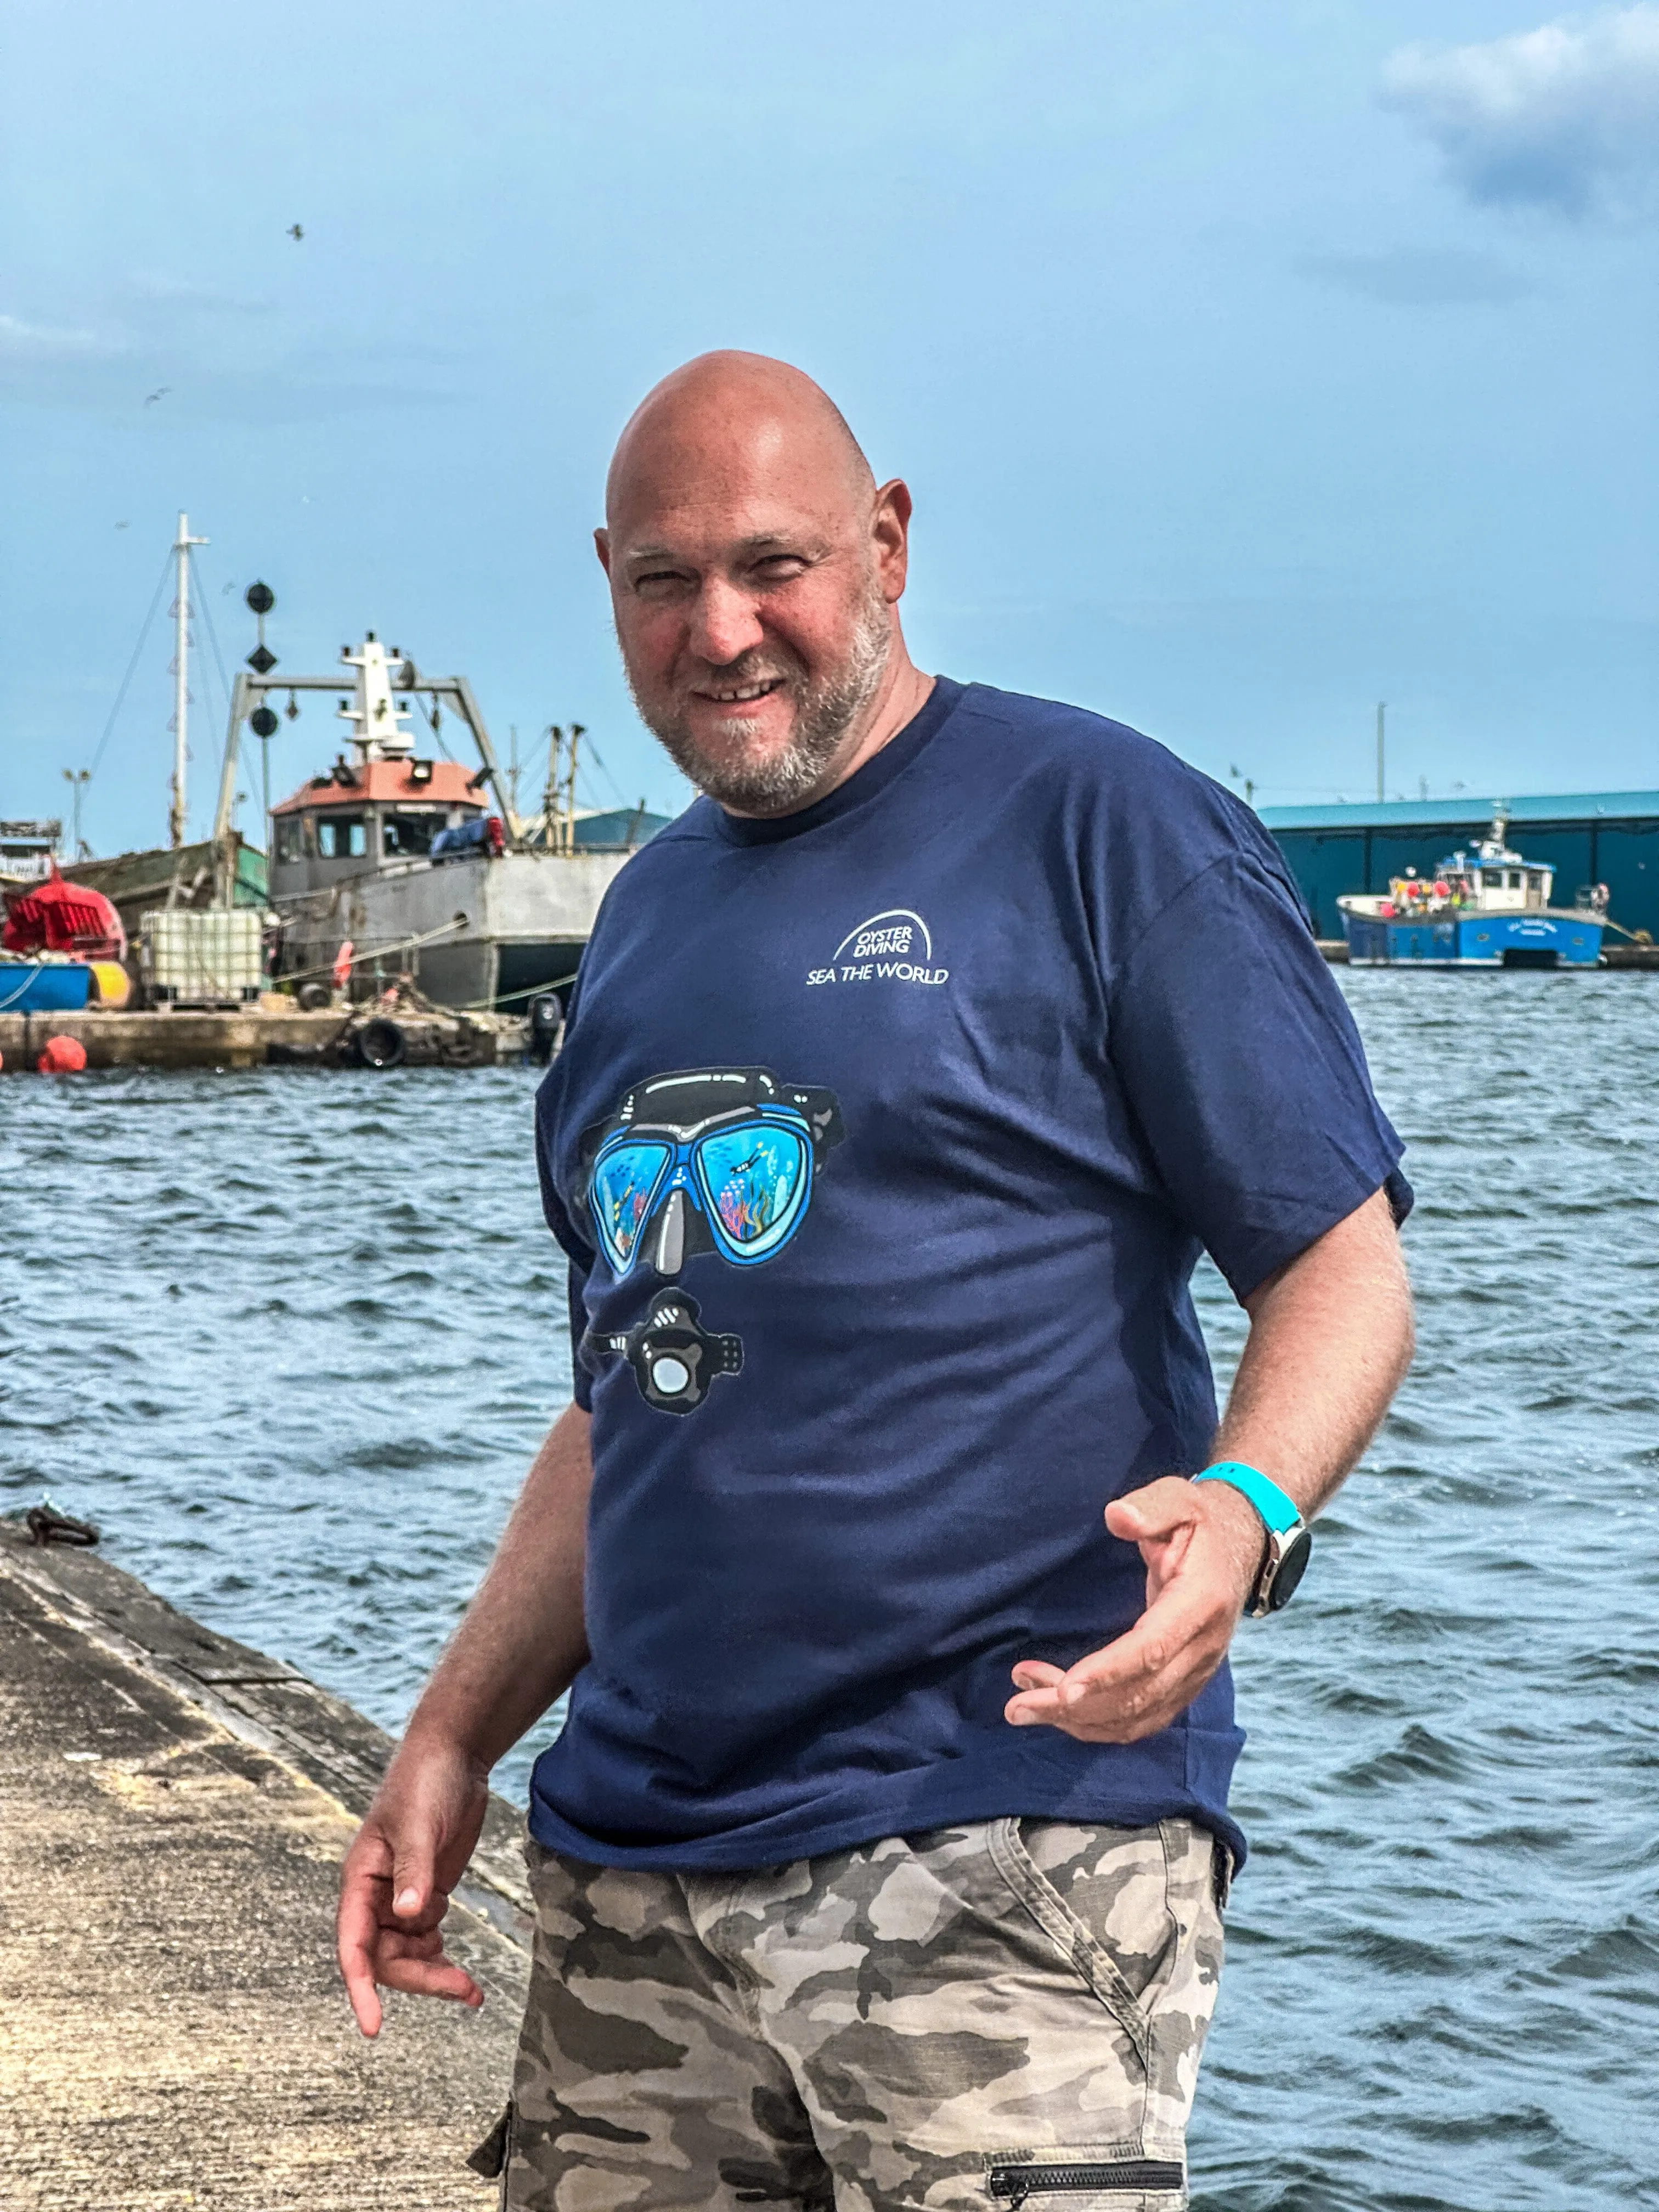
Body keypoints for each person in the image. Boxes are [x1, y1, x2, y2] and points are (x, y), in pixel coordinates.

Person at [337, 352, 1415, 2211]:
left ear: (891, 542)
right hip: (634, 1871)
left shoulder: (1106, 827)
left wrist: (1245, 1515)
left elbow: (1339, 1266)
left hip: (1003, 1836)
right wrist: (451, 1736)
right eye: (663, 582)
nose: (724, 630)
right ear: (606, 582)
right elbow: (636, 1388)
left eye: (777, 566)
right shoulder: (644, 917)